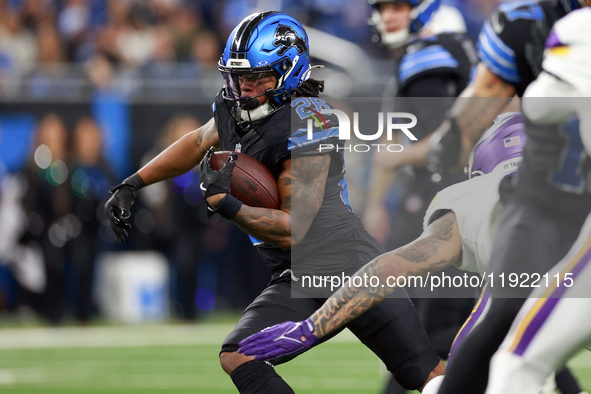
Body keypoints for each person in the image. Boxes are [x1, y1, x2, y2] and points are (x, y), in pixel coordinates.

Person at [104, 11, 445, 394]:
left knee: (429, 376)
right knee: (239, 354)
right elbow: (199, 140)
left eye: (256, 77)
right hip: (296, 276)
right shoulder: (236, 108)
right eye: (237, 77)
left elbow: (293, 229)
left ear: (290, 71)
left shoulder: (309, 123)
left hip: (349, 268)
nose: (243, 88)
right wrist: (133, 183)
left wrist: (225, 203)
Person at [364, 2, 478, 391]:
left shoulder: (429, 57)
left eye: (399, 6)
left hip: (451, 203)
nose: (389, 16)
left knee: (424, 336)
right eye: (383, 7)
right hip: (471, 200)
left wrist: (393, 158)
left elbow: (452, 142)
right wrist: (377, 200)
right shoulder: (452, 48)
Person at [486, 8, 591, 394]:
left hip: (550, 211)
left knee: (517, 363)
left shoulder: (579, 33)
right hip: (546, 210)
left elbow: (538, 102)